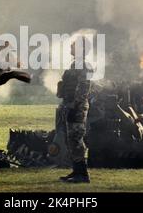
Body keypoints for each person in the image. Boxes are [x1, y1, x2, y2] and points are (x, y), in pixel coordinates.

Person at [57, 36, 92, 183]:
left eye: (74, 45)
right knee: (70, 140)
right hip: (69, 105)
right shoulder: (74, 65)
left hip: (76, 107)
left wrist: (74, 104)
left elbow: (83, 87)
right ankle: (76, 170)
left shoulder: (84, 66)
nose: (71, 46)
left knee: (76, 139)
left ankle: (82, 175)